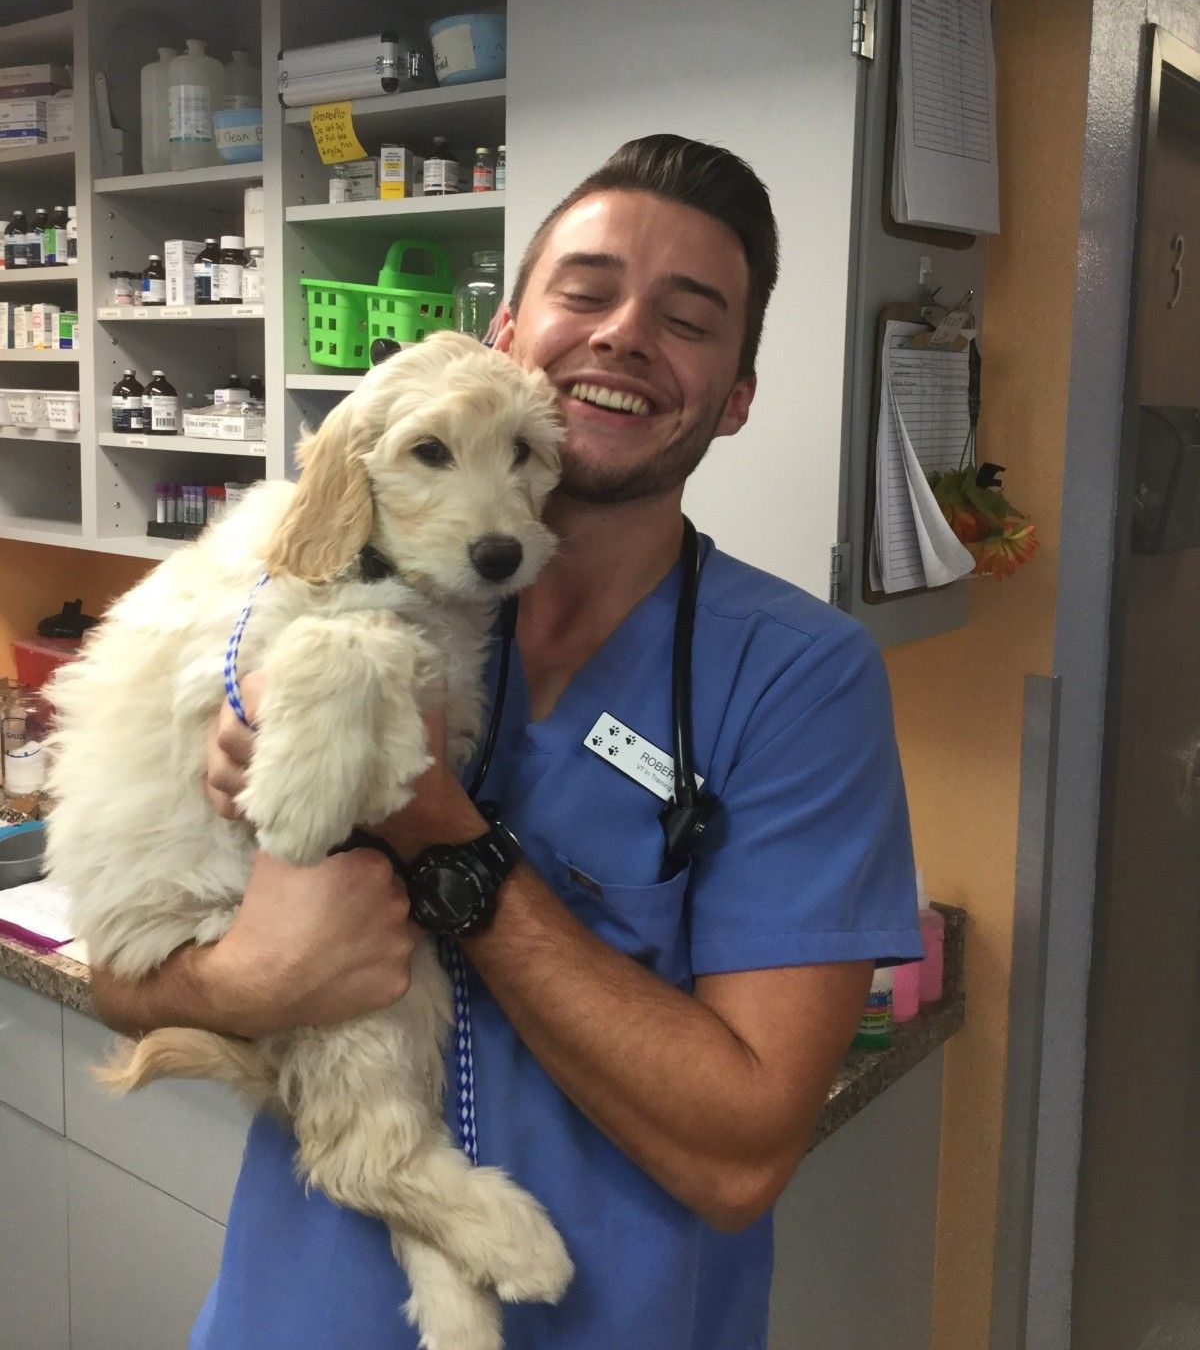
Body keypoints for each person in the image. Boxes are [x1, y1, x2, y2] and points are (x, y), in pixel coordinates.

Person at [89, 135, 924, 1350]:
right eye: (586, 291)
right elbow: (124, 966)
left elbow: (743, 1153)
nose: (625, 334)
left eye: (689, 319)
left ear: (736, 397)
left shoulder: (798, 677)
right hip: (291, 1314)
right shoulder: (330, 606)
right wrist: (246, 981)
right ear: (505, 338)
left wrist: (441, 832)